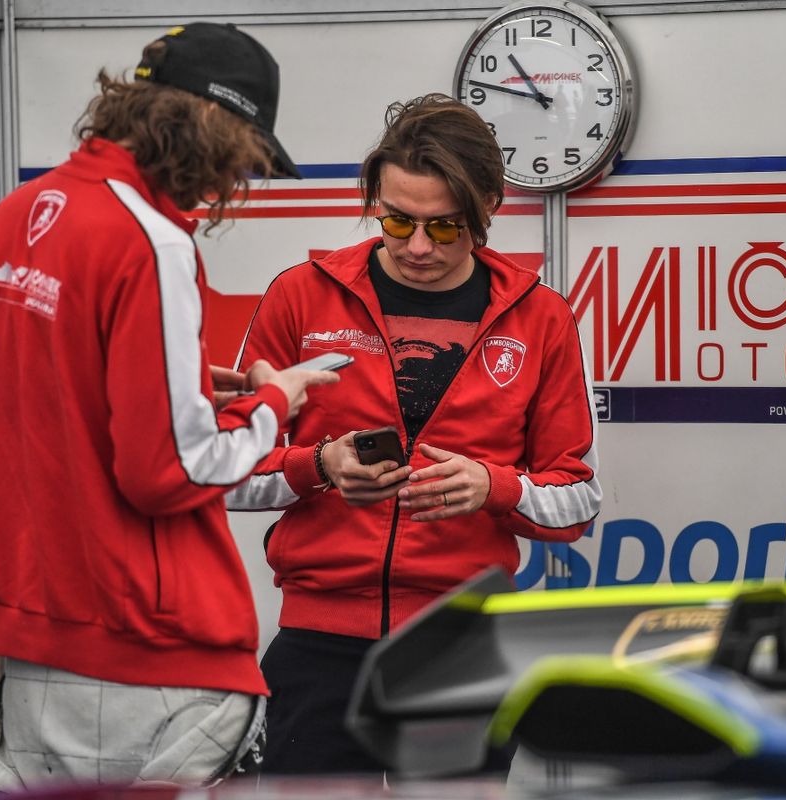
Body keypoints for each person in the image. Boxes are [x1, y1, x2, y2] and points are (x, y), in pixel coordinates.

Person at [0, 22, 338, 789]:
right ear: (213, 126)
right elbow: (171, 470)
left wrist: (180, 388)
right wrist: (272, 402)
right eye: (244, 159)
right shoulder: (150, 239)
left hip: (29, 649)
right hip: (151, 656)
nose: (233, 182)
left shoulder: (10, 217)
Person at [227, 93, 602, 773]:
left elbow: (577, 500)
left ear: (488, 207)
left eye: (445, 227)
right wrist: (319, 466)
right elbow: (226, 471)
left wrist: (493, 487)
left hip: (463, 645)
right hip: (317, 643)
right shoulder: (300, 296)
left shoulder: (541, 317)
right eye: (397, 221)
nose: (418, 247)